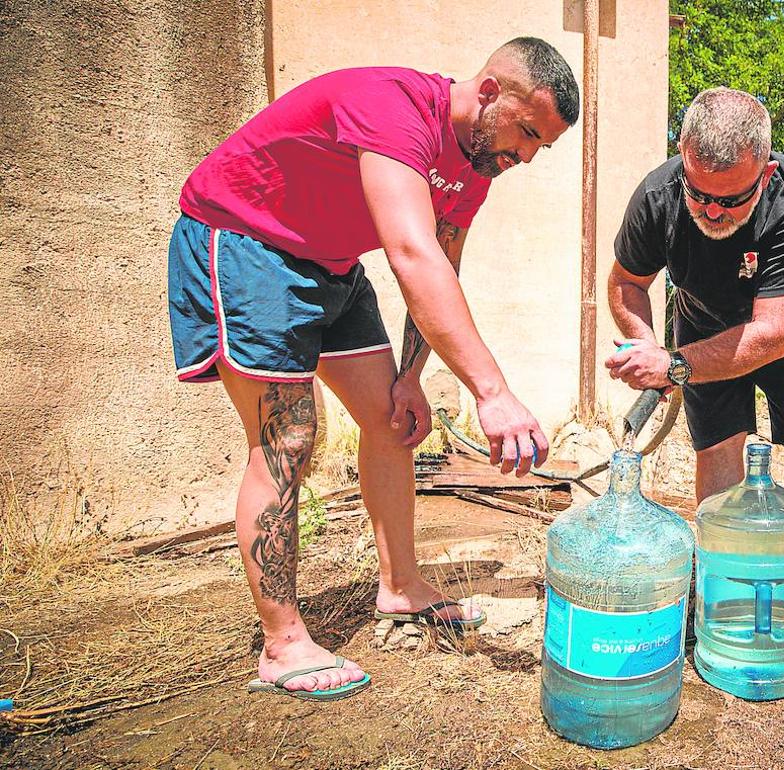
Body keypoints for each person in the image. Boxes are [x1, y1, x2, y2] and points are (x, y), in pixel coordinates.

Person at [168, 38, 579, 700]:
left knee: (394, 419)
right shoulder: (393, 108)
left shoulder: (478, 164)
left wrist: (412, 376)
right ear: (488, 93)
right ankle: (281, 645)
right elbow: (411, 252)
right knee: (288, 439)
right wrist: (493, 392)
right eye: (527, 132)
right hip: (246, 240)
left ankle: (401, 585)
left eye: (541, 146)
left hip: (330, 264)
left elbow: (440, 267)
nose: (526, 155)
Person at [604, 87, 784, 621]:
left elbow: (772, 333)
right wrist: (649, 345)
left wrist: (677, 365)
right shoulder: (658, 197)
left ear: (764, 173)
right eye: (699, 194)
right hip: (704, 324)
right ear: (683, 157)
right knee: (718, 444)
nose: (711, 210)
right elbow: (626, 282)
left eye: (730, 199)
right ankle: (717, 580)